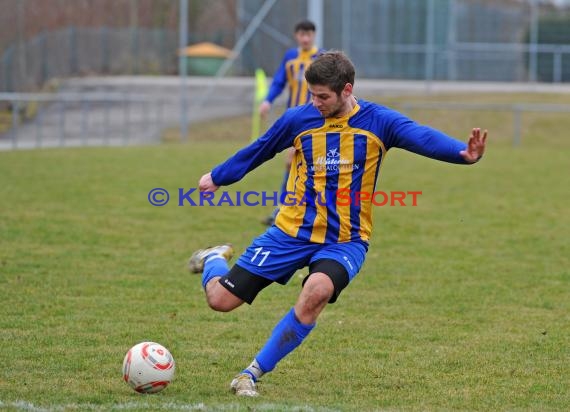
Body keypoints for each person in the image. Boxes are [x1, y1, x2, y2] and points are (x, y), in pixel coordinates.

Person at [188, 51, 488, 397]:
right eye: (312, 94)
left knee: (316, 291)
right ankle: (213, 258)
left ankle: (250, 374)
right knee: (220, 301)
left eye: (322, 96)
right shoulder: (298, 120)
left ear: (347, 90)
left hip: (346, 240)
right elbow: (261, 149)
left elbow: (419, 135)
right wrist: (219, 176)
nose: (314, 102)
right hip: (291, 232)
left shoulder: (379, 123)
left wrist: (461, 154)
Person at [258, 19, 325, 226]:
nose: (305, 38)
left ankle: (286, 208)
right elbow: (279, 81)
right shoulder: (290, 58)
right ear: (297, 36)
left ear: (313, 36)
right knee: (296, 162)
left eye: (309, 34)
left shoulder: (321, 57)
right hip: (294, 118)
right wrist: (268, 100)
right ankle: (291, 207)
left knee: (296, 161)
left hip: (316, 119)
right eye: (302, 34)